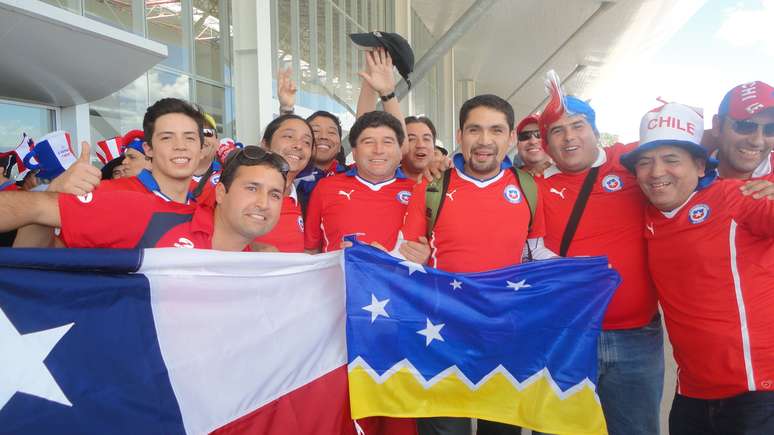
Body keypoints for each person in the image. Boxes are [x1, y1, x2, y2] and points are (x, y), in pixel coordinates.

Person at [620, 101, 774, 435]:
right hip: (691, 393)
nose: (657, 172)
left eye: (671, 160)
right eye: (645, 163)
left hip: (757, 393)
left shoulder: (735, 197)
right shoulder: (645, 211)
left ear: (701, 166)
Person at [402, 94, 551, 435]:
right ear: (459, 135)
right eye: (475, 130)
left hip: (505, 336)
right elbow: (404, 255)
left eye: (496, 130)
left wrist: (584, 276)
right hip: (440, 337)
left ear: (511, 137)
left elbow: (537, 254)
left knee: (501, 431)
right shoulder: (432, 186)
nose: (485, 141)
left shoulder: (528, 188)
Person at [537, 95, 663, 435]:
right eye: (558, 131)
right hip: (566, 339)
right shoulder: (533, 186)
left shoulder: (633, 163)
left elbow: (699, 151)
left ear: (595, 130)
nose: (569, 137)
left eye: (578, 126)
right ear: (547, 145)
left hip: (635, 337)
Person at [0, 146, 287, 251]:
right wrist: (54, 191)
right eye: (251, 188)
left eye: (274, 194)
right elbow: (34, 207)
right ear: (221, 193)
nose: (263, 202)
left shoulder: (256, 261)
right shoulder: (146, 212)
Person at [305, 110, 427, 260]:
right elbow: (310, 251)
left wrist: (426, 258)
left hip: (397, 283)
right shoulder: (325, 188)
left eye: (387, 142)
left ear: (401, 151)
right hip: (341, 282)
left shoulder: (419, 191)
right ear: (354, 152)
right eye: (368, 142)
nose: (378, 150)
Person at [250, 114, 314, 252]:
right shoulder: (241, 190)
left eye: (307, 142)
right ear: (265, 144)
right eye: (289, 136)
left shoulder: (305, 201)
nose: (298, 145)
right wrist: (251, 249)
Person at [709, 81, 774, 180]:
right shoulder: (686, 173)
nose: (757, 141)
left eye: (771, 129)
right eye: (745, 126)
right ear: (717, 126)